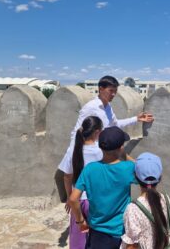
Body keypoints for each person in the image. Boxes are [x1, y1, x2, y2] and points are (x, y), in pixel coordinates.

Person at [56, 75, 154, 202]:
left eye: (115, 92)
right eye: (110, 91)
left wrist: (136, 119)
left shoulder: (107, 107)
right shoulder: (91, 107)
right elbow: (78, 131)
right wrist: (74, 152)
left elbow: (115, 124)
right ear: (100, 89)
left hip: (102, 152)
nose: (113, 94)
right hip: (90, 153)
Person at [68, 126, 136, 249]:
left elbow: (73, 199)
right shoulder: (128, 169)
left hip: (97, 233)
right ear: (120, 148)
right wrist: (124, 155)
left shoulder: (90, 169)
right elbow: (142, 169)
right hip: (119, 231)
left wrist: (80, 221)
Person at [63, 116, 103, 249]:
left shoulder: (72, 150)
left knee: (78, 239)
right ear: (97, 132)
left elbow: (67, 176)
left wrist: (70, 197)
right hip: (96, 201)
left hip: (77, 200)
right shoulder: (101, 152)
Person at [121, 152, 169, 249]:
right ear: (160, 178)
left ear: (135, 176)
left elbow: (131, 245)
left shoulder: (133, 208)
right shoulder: (166, 199)